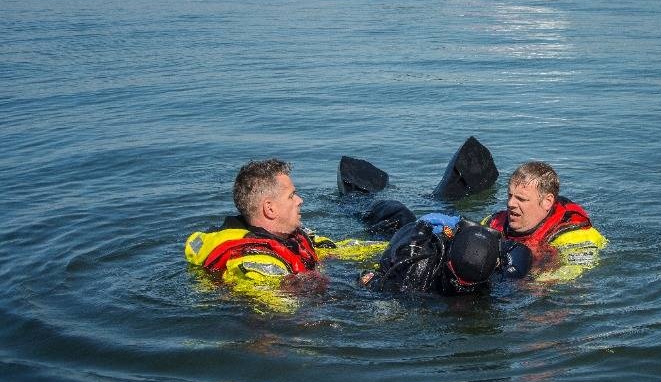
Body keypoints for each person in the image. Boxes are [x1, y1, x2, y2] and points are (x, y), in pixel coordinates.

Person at [185, 159, 385, 310]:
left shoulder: (292, 237)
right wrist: (353, 292)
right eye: (291, 196)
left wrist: (392, 245)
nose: (300, 200)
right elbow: (281, 306)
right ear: (270, 209)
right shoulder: (253, 262)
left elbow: (337, 249)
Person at [484, 161, 606, 281]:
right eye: (510, 196)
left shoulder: (576, 235)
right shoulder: (494, 223)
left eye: (521, 199)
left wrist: (534, 280)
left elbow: (573, 273)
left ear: (547, 202)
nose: (510, 203)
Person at [360, 213, 531, 296]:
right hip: (402, 236)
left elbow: (521, 252)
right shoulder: (418, 263)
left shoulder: (416, 281)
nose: (462, 287)